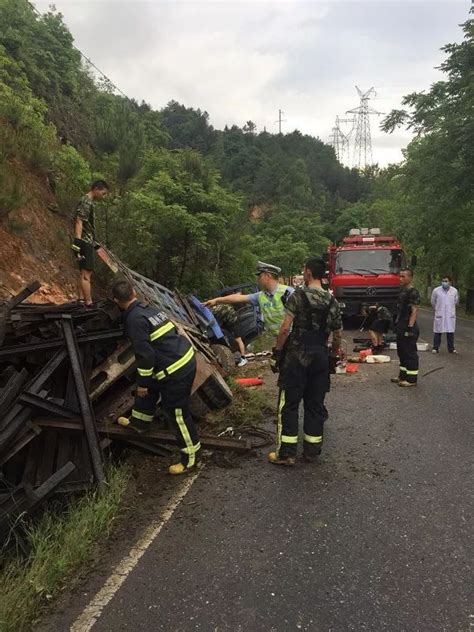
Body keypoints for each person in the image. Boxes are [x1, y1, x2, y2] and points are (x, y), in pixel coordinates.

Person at [112, 279, 200, 475]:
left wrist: (142, 383)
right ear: (134, 292)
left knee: (176, 414)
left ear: (116, 301)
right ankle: (139, 423)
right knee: (149, 386)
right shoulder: (149, 308)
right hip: (181, 358)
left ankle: (191, 458)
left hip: (177, 369)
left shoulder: (134, 320)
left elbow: (146, 356)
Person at [268, 258, 343, 466]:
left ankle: (287, 453)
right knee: (315, 404)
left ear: (308, 273)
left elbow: (285, 329)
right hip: (320, 357)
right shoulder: (332, 302)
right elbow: (337, 335)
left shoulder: (297, 297)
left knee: (290, 404)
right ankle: (311, 451)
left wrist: (277, 352)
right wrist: (333, 357)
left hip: (296, 357)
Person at [204, 262, 293, 336]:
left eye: (260, 276)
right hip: (278, 338)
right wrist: (216, 300)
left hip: (292, 337)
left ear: (267, 276)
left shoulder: (288, 292)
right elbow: (237, 298)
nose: (258, 280)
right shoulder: (261, 296)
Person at [71, 180, 109, 307]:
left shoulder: (88, 202)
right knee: (86, 273)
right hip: (84, 242)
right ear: (97, 189)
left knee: (84, 272)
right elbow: (79, 221)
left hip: (88, 241)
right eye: (103, 193)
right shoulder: (86, 201)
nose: (104, 197)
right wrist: (77, 242)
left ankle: (81, 300)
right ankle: (88, 303)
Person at [391, 268, 421, 387]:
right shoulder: (402, 291)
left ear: (410, 278)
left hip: (409, 325)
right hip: (401, 323)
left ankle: (412, 379)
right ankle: (402, 376)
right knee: (401, 351)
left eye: (403, 277)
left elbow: (414, 310)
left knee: (410, 352)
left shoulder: (413, 292)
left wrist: (410, 328)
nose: (401, 279)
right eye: (400, 276)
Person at [431, 276, 459, 354]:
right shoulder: (436, 290)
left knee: (450, 332)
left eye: (446, 281)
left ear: (450, 282)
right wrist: (437, 308)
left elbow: (456, 302)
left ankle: (451, 348)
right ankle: (435, 347)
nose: (444, 283)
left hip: (450, 314)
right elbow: (433, 301)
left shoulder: (454, 291)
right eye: (443, 281)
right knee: (437, 331)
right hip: (440, 313)